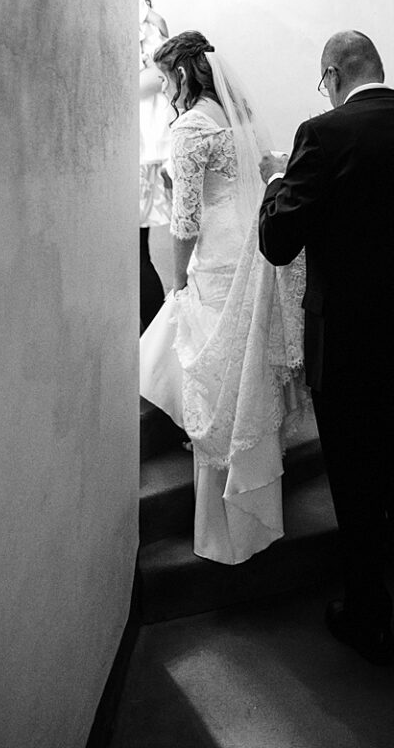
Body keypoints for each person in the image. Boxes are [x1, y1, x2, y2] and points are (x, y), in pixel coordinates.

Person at [258, 30, 394, 665]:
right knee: (389, 433)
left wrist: (278, 180)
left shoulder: (321, 136)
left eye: (321, 82)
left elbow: (277, 240)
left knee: (350, 472)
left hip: (346, 335)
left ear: (332, 75)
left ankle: (367, 612)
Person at [140, 30, 310, 565]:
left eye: (166, 79)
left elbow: (186, 219)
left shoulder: (190, 127)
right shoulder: (235, 118)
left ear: (183, 74)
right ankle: (254, 509)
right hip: (252, 255)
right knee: (246, 380)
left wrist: (177, 278)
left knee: (214, 387)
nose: (166, 91)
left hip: (214, 264)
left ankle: (224, 530)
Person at [138, 0, 172, 332]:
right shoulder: (149, 19)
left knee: (135, 252)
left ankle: (151, 338)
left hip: (139, 150)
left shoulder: (149, 22)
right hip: (141, 150)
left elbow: (157, 78)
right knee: (134, 251)